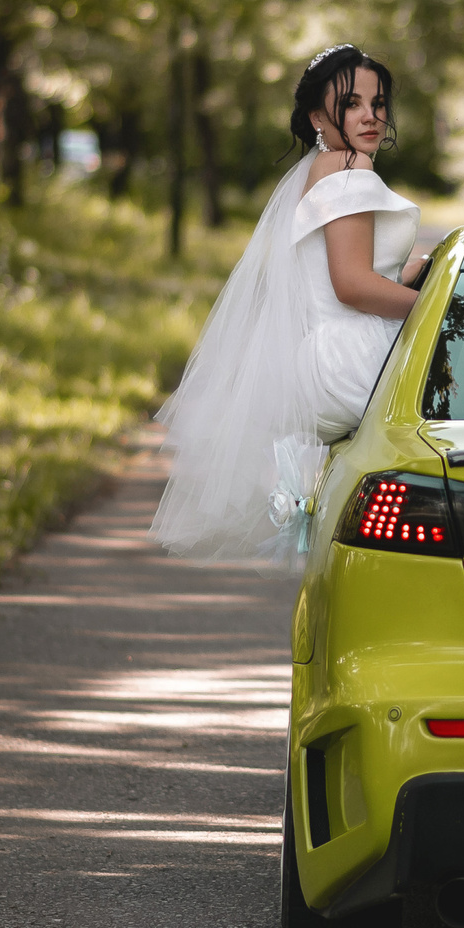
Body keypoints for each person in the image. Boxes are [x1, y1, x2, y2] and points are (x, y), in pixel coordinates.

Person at [149, 45, 427, 566]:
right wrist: (438, 311)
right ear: (319, 117)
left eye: (379, 102)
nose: (371, 115)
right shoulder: (349, 167)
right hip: (355, 356)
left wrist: (419, 271)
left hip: (321, 354)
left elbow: (346, 273)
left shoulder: (318, 169)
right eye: (352, 104)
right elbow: (352, 285)